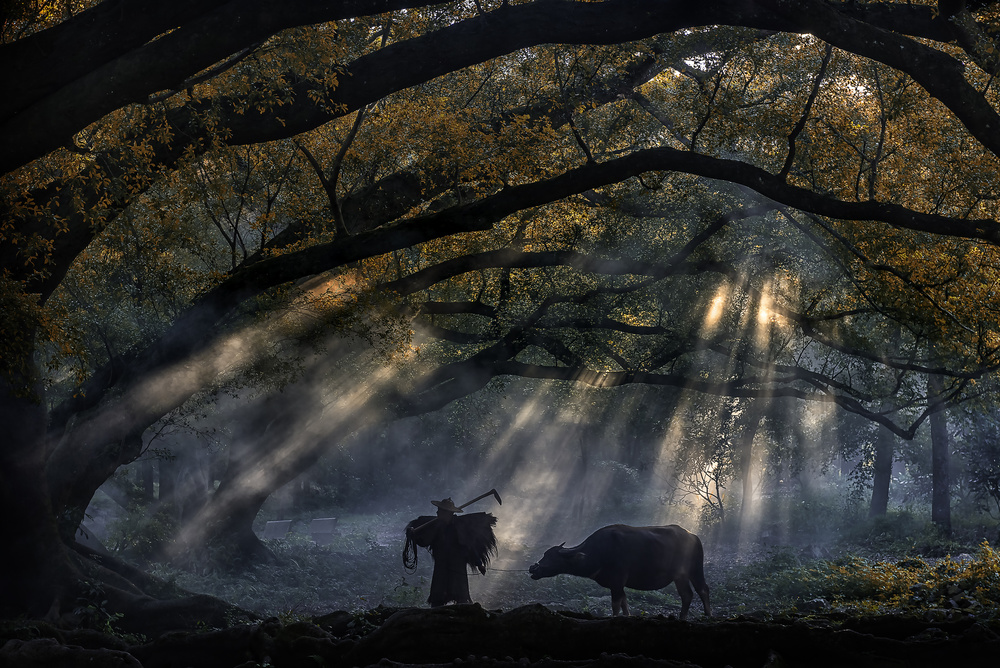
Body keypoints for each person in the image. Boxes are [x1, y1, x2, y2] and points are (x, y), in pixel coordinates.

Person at [402, 497, 497, 607]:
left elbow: (469, 546)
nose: (437, 512)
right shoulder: (434, 526)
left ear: (447, 513)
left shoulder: (460, 526)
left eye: (440, 510)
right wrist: (412, 534)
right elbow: (424, 541)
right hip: (441, 566)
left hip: (457, 566)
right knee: (438, 597)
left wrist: (479, 564)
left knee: (461, 596)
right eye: (438, 510)